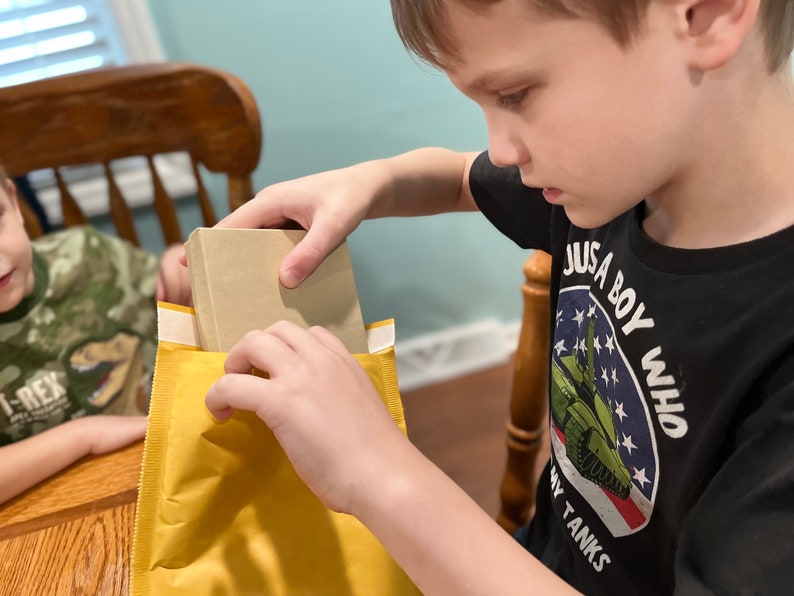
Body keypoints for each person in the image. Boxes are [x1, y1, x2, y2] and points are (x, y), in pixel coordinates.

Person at [202, 0, 794, 593]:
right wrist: (373, 182)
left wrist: (377, 472)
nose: (503, 150)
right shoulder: (621, 182)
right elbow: (463, 176)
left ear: (706, 14)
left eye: (514, 95)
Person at [0, 167, 192, 505]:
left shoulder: (90, 253)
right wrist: (84, 435)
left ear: (14, 204)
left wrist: (178, 263)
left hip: (175, 456)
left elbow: (173, 290)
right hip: (58, 511)